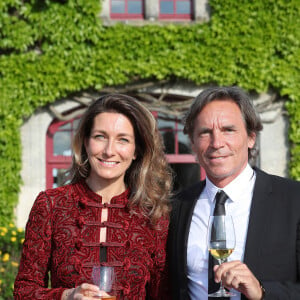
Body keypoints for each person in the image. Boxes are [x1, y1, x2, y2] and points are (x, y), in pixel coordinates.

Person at [14, 94, 173, 299]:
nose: (109, 151)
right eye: (100, 136)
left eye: (123, 140)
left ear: (136, 151)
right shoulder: (51, 204)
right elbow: (24, 291)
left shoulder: (153, 214)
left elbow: (164, 294)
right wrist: (66, 296)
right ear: (86, 143)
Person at [167, 86, 300, 299]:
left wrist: (262, 291)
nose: (217, 143)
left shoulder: (294, 201)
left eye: (228, 130)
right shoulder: (176, 207)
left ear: (251, 138)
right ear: (192, 143)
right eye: (205, 132)